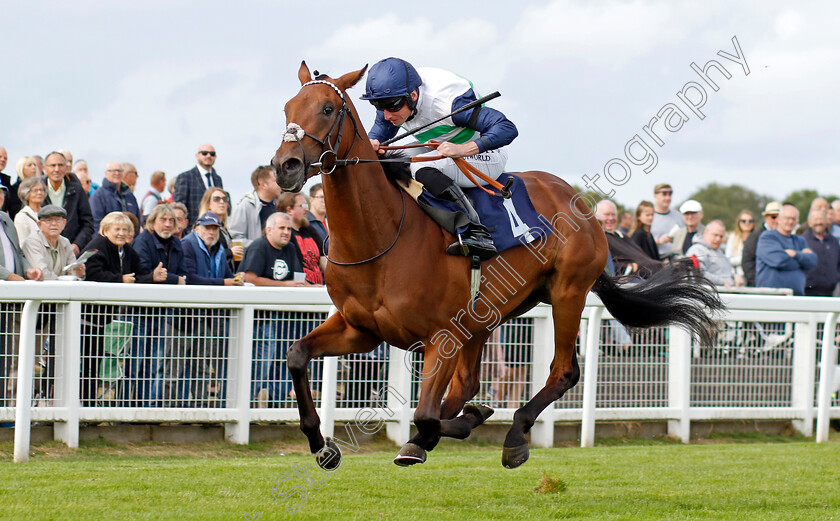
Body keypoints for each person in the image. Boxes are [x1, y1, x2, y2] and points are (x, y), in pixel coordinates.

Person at [362, 57, 518, 259]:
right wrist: (372, 141)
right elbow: (381, 130)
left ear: (413, 95)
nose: (386, 115)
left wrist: (463, 149)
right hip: (439, 148)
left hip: (484, 155)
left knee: (420, 169)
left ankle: (474, 230)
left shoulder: (448, 103)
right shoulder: (395, 97)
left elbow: (507, 128)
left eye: (391, 107)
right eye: (378, 106)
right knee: (388, 160)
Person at [81, 211, 161, 404]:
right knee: (86, 362)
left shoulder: (129, 252)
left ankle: (91, 405)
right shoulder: (96, 247)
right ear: (105, 230)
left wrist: (152, 277)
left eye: (125, 230)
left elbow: (136, 277)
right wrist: (119, 279)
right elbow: (92, 274)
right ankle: (85, 404)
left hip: (105, 318)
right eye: (117, 229)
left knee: (96, 362)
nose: (121, 233)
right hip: (87, 315)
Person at [239, 212, 307, 405]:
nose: (286, 232)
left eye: (288, 229)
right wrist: (284, 286)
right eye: (282, 228)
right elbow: (249, 277)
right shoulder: (259, 246)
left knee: (284, 363)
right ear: (269, 230)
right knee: (260, 365)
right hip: (259, 320)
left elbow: (297, 279)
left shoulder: (291, 248)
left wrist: (312, 287)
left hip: (284, 319)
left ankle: (276, 406)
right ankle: (246, 404)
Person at [128, 204, 185, 407]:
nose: (167, 224)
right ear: (152, 222)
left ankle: (145, 409)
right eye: (163, 220)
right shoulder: (142, 241)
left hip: (161, 312)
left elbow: (182, 274)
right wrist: (168, 278)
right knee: (133, 366)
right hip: (138, 313)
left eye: (171, 221)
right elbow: (143, 272)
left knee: (153, 365)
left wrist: (166, 278)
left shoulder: (176, 245)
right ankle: (124, 411)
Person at [756, 203, 817, 296]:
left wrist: (795, 254)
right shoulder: (767, 237)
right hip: (771, 296)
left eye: (794, 219)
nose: (790, 221)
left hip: (797, 296)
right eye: (787, 218)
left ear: (797, 222)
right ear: (779, 219)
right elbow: (778, 260)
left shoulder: (800, 240)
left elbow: (813, 261)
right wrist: (801, 261)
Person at [42, 151, 94, 256]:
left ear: (66, 168)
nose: (57, 169)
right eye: (53, 165)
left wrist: (77, 244)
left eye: (60, 165)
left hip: (71, 253)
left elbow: (88, 223)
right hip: (43, 252)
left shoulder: (77, 190)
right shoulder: (37, 190)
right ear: (45, 168)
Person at [595, 199, 662, 277]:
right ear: (597, 216)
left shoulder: (624, 237)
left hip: (654, 269)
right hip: (639, 277)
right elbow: (607, 267)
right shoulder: (600, 240)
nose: (611, 218)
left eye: (613, 214)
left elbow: (643, 257)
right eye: (607, 214)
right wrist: (628, 267)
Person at [21, 205, 85, 280]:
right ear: (39, 224)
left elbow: (72, 272)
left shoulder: (65, 242)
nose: (54, 223)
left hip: (62, 288)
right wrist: (64, 280)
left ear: (64, 223)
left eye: (58, 220)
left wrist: (79, 273)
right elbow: (43, 274)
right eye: (48, 220)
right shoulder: (32, 242)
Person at [277, 192, 325, 285]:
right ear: (289, 210)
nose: (306, 209)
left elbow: (323, 258)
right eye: (302, 205)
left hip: (318, 287)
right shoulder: (284, 235)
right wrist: (309, 286)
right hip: (299, 289)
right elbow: (291, 269)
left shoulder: (309, 230)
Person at [230, 166, 282, 249]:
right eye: (275, 180)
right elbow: (236, 239)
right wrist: (261, 246)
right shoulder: (246, 206)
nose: (280, 183)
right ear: (263, 185)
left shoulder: (279, 206)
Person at [173, 144, 223, 231]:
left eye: (212, 154)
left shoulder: (218, 179)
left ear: (215, 157)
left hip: (213, 230)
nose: (208, 156)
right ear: (197, 156)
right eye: (204, 153)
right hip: (192, 230)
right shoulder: (185, 177)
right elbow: (179, 206)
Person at [0, 185, 43, 282]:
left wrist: (28, 270)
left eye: (1, 193)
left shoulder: (6, 218)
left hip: (14, 288)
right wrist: (10, 276)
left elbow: (18, 253)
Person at [89, 161, 141, 232]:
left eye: (119, 171)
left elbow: (137, 221)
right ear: (106, 173)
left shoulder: (129, 196)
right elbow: (96, 223)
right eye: (113, 171)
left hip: (130, 241)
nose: (117, 173)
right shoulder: (98, 196)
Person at [685, 220, 740, 287]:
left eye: (721, 236)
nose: (718, 239)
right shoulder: (696, 250)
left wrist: (735, 277)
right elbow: (697, 274)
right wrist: (722, 282)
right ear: (706, 232)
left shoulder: (720, 252)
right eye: (715, 235)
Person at [198, 187, 241, 269]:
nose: (222, 202)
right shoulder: (202, 228)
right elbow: (204, 255)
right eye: (216, 199)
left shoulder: (224, 229)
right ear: (208, 204)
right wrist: (230, 252)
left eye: (225, 199)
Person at [800, 209, 840, 296]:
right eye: (815, 219)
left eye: (821, 219)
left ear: (826, 221)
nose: (819, 222)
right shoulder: (802, 240)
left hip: (830, 292)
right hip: (807, 291)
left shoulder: (834, 241)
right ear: (809, 222)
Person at [742, 201, 781, 287]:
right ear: (766, 217)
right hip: (761, 286)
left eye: (780, 217)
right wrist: (756, 283)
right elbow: (747, 262)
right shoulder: (755, 236)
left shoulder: (784, 237)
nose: (777, 220)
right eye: (774, 217)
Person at [650, 183, 684, 260]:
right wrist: (658, 241)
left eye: (670, 194)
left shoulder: (678, 216)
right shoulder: (649, 216)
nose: (668, 198)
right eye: (664, 194)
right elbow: (640, 242)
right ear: (655, 196)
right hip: (656, 260)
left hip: (676, 260)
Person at [14, 177, 48, 243]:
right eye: (35, 190)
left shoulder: (47, 214)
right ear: (26, 193)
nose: (39, 193)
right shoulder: (22, 217)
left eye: (41, 190)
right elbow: (22, 244)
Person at [725, 210, 755, 280]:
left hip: (753, 275)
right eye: (743, 221)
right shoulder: (733, 238)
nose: (747, 223)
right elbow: (727, 260)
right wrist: (743, 259)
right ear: (739, 222)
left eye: (750, 221)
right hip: (738, 277)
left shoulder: (757, 237)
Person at [7, 155, 39, 219]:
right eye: (29, 165)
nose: (33, 167)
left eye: (35, 165)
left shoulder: (40, 187)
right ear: (21, 169)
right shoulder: (13, 190)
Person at [307, 183, 328, 251]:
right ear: (311, 200)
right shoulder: (306, 223)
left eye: (327, 197)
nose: (325, 201)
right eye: (321, 197)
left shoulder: (333, 222)